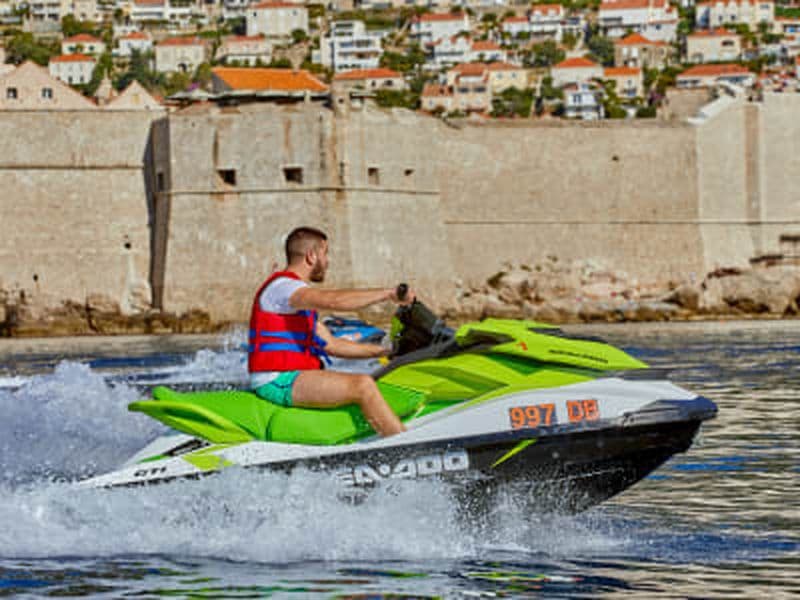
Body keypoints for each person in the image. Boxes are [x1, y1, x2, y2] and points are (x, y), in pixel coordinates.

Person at [248, 226, 414, 437]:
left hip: (293, 375)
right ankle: (403, 448)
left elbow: (332, 345)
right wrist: (389, 294)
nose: (327, 261)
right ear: (312, 256)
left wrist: (386, 351)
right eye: (326, 254)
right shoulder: (283, 288)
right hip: (277, 379)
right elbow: (335, 301)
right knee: (363, 385)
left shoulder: (296, 300)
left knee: (371, 380)